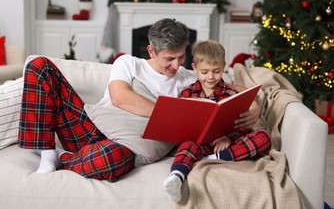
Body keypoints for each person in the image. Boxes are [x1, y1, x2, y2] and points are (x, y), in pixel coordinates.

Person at [18, 18, 260, 182]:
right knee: (39, 65)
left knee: (111, 161)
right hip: (88, 129)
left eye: (181, 56)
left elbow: (236, 90)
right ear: (152, 51)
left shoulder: (189, 78)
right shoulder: (129, 63)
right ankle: (48, 152)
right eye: (169, 58)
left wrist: (256, 106)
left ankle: (65, 159)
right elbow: (120, 97)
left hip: (123, 147)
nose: (176, 65)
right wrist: (169, 114)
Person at [163, 40, 271, 202]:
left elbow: (241, 124)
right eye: (205, 72)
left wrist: (227, 137)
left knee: (263, 137)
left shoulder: (231, 94)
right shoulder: (187, 93)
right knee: (186, 146)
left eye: (217, 71)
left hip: (225, 146)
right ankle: (177, 177)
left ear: (224, 66)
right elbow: (182, 125)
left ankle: (212, 160)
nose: (211, 77)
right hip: (199, 145)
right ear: (194, 68)